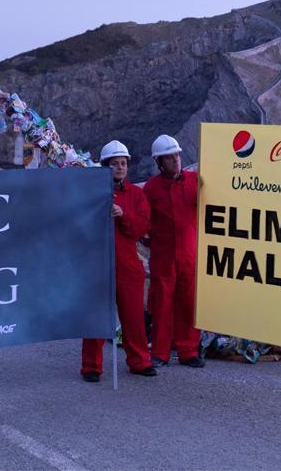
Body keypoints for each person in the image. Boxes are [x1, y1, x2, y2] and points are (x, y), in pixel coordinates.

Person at [81, 140, 156, 382]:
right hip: (98, 265)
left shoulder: (136, 194)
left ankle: (140, 361)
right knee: (96, 317)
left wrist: (124, 216)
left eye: (123, 163)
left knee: (133, 317)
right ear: (105, 166)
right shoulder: (92, 195)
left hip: (127, 265)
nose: (120, 168)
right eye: (115, 164)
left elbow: (141, 227)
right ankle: (91, 366)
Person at [143, 134, 204, 368]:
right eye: (169, 158)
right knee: (162, 305)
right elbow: (143, 219)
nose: (175, 161)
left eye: (177, 156)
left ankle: (188, 351)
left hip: (189, 255)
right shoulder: (151, 189)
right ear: (159, 162)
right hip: (163, 258)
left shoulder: (195, 181)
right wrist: (148, 240)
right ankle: (160, 351)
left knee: (189, 303)